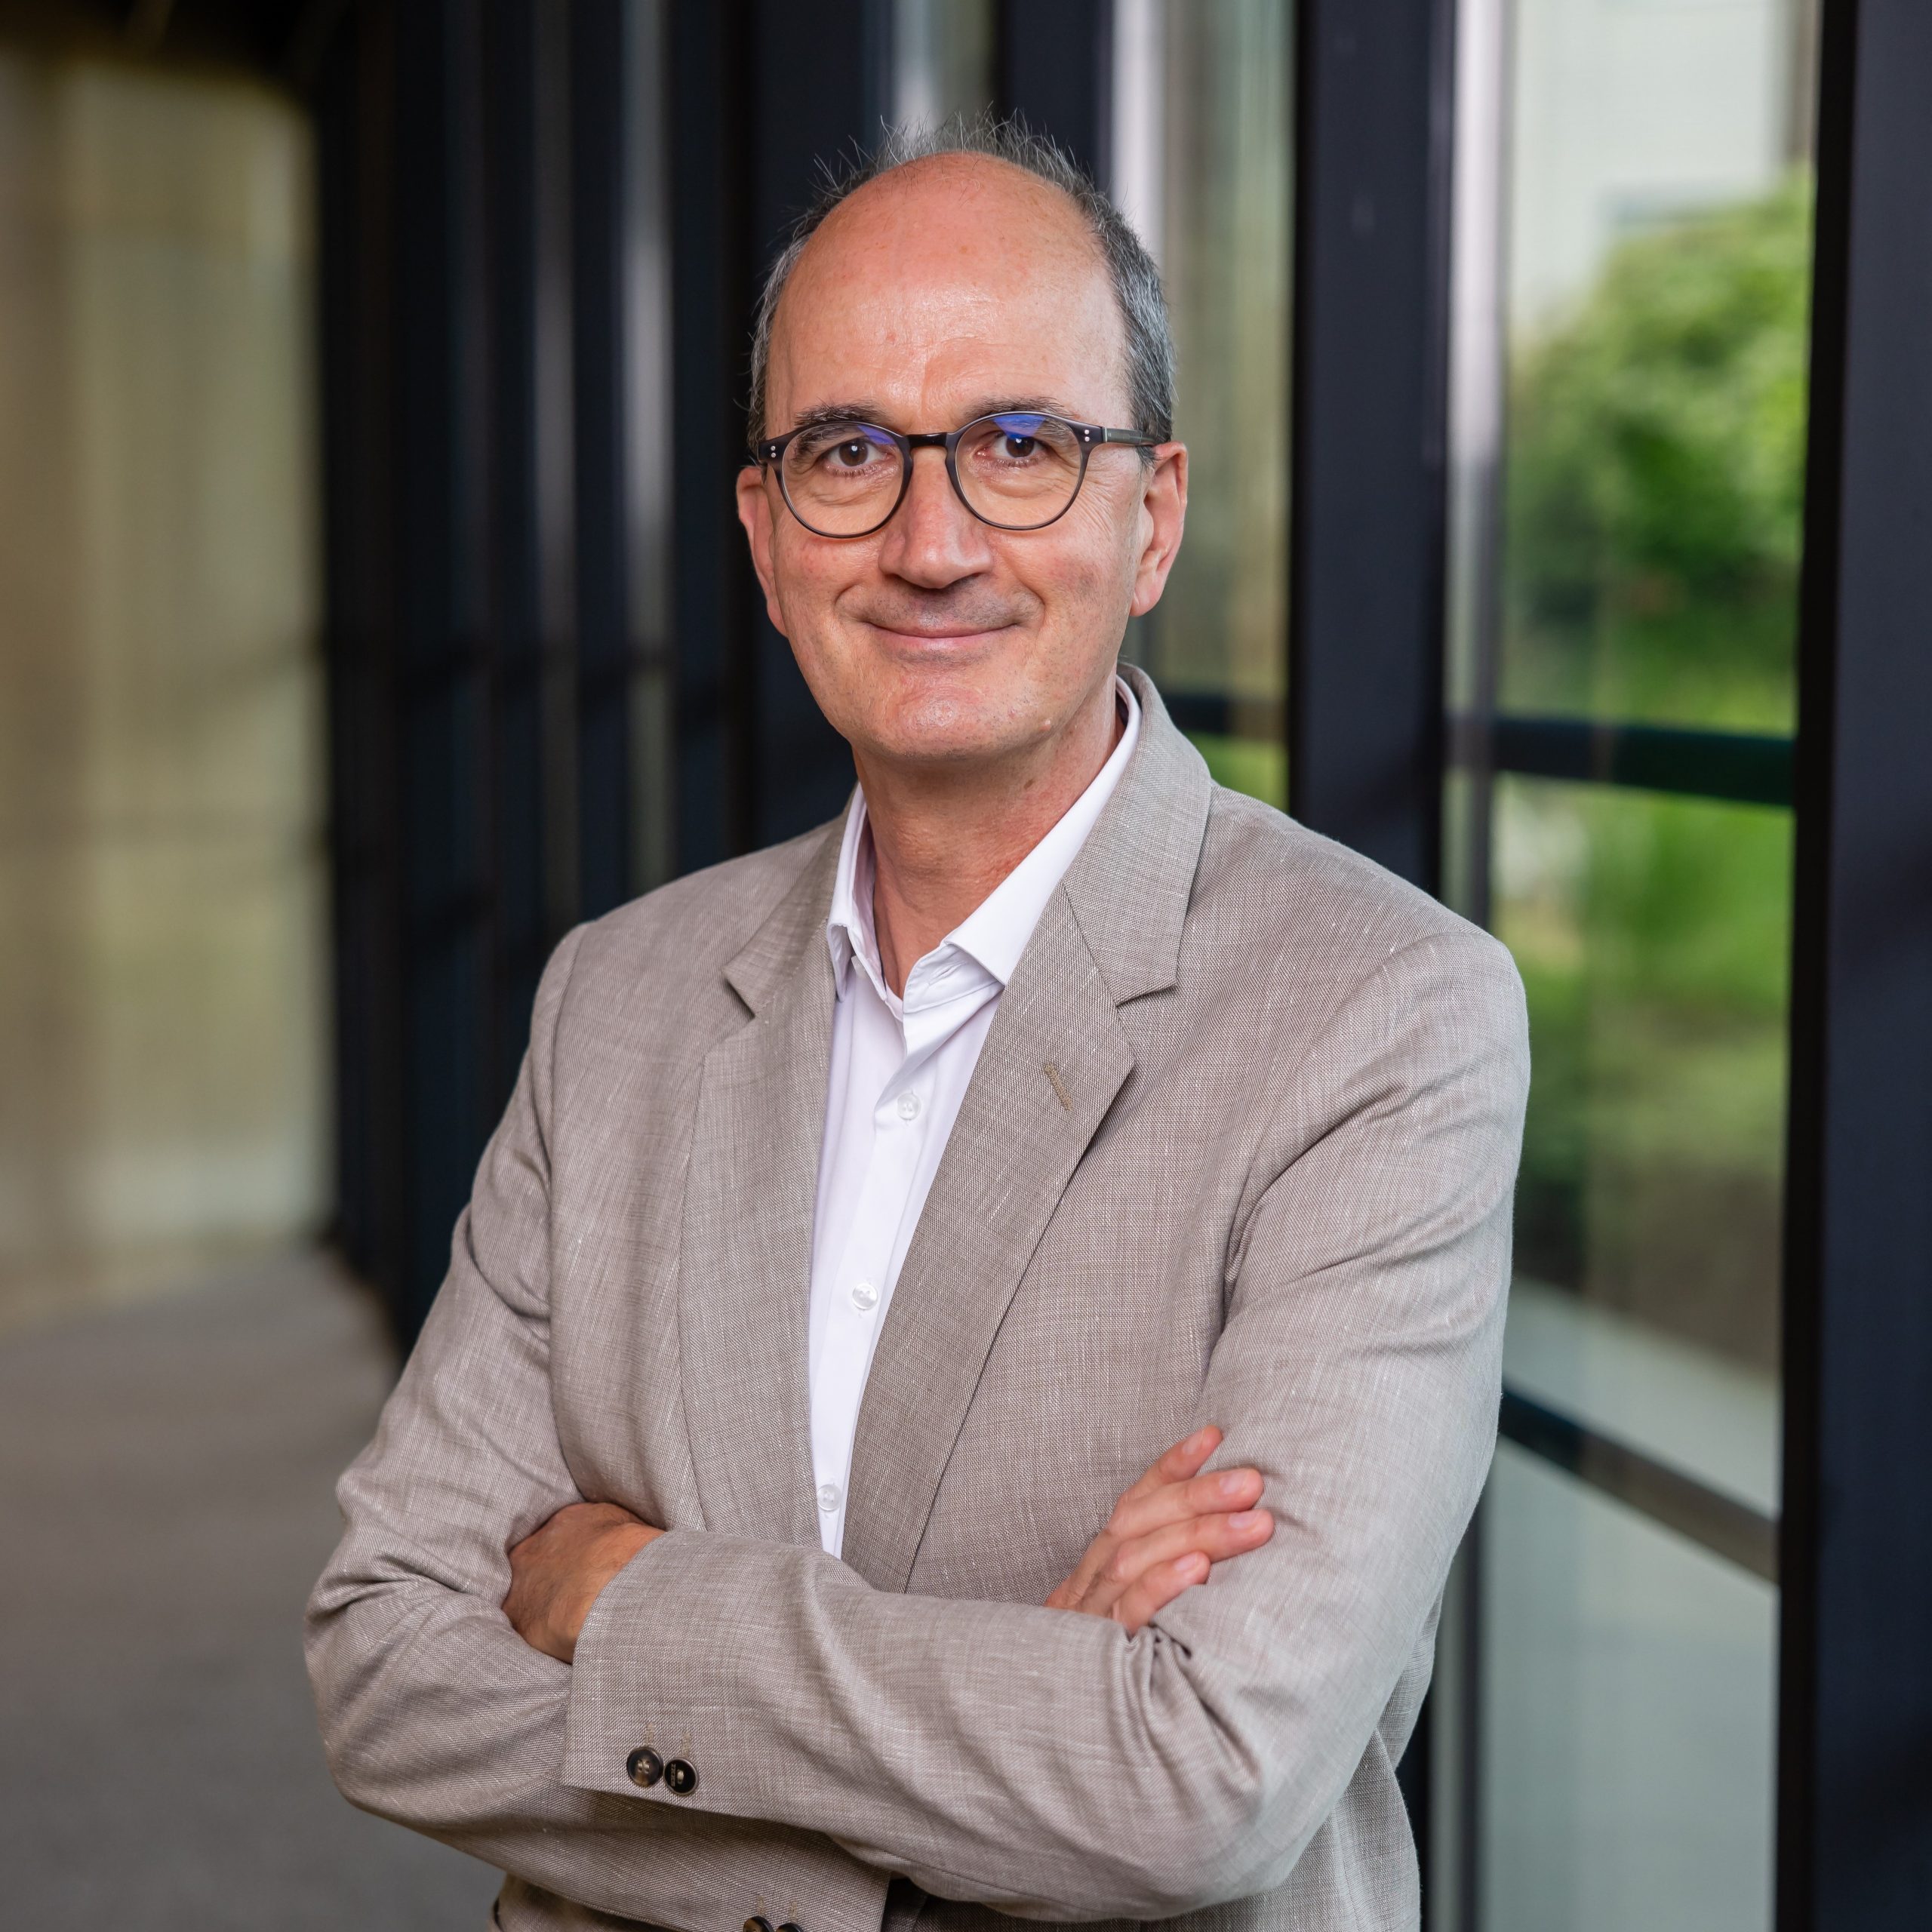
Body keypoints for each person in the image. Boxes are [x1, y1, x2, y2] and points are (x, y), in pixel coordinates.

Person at [306, 118, 1528, 1932]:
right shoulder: (618, 999)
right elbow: (382, 1666)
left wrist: (626, 1600)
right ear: (762, 531)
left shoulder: (1378, 1015)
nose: (930, 538)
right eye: (846, 450)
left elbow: (1197, 1780)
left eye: (1023, 446)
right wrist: (1014, 1704)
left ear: (1153, 515)